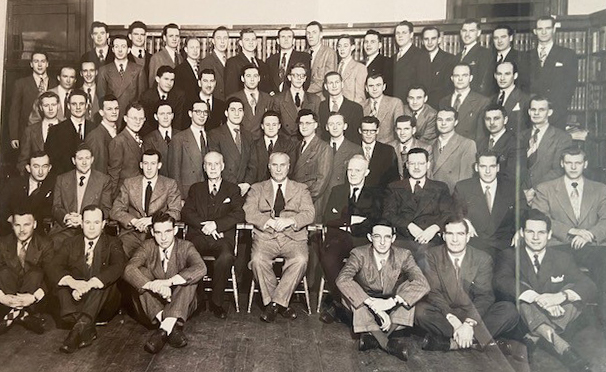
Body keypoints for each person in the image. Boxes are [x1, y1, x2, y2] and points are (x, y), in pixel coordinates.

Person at [494, 210, 595, 371]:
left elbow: (588, 284)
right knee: (521, 293)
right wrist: (537, 298)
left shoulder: (562, 257)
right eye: (530, 232)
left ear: (549, 235)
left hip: (551, 314)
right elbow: (501, 281)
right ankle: (562, 347)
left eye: (541, 232)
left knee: (574, 291)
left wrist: (559, 297)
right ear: (521, 233)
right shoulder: (509, 255)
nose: (535, 237)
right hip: (523, 317)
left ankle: (532, 339)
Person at [415, 218, 519, 352]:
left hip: (473, 314)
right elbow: (433, 293)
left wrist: (469, 324)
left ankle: (453, 343)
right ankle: (478, 341)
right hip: (445, 314)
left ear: (468, 236)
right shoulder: (432, 255)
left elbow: (485, 296)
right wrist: (455, 321)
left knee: (509, 310)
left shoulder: (482, 258)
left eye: (460, 234)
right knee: (420, 312)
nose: (455, 239)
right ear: (443, 236)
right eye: (450, 234)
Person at [532, 147, 606, 336]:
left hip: (590, 245)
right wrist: (572, 232)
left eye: (578, 163)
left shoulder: (600, 189)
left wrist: (588, 234)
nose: (573, 167)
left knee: (603, 263)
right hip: (559, 244)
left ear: (585, 164)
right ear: (562, 163)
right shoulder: (545, 188)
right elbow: (539, 218)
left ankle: (603, 317)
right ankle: (551, 323)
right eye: (569, 163)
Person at [336, 222, 430, 361]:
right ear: (370, 237)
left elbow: (423, 284)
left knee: (410, 292)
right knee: (352, 293)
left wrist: (391, 302)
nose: (382, 242)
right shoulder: (359, 253)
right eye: (377, 236)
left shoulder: (404, 255)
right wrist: (373, 305)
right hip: (366, 303)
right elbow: (342, 279)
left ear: (393, 239)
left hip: (391, 304)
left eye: (387, 237)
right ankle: (386, 343)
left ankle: (373, 338)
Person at [243, 152, 315, 322]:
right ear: (269, 167)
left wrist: (290, 220)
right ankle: (281, 304)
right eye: (275, 165)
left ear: (289, 167)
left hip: (293, 237)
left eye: (283, 165)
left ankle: (273, 305)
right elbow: (248, 210)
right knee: (258, 260)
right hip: (266, 236)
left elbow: (309, 213)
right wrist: (267, 221)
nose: (279, 169)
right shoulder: (257, 188)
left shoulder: (301, 189)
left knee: (300, 260)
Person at [123, 212, 206, 354]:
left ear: (175, 230)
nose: (163, 237)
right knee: (140, 273)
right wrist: (153, 285)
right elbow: (129, 269)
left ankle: (163, 329)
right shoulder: (147, 246)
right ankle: (170, 327)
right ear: (152, 232)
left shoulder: (186, 246)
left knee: (188, 279)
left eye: (168, 231)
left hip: (183, 303)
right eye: (158, 232)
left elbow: (201, 268)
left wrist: (167, 283)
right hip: (155, 305)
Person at [46, 204, 125, 354]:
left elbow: (118, 266)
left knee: (104, 283)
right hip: (76, 301)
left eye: (96, 223)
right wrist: (72, 283)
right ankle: (85, 326)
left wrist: (90, 284)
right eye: (88, 222)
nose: (92, 227)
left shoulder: (113, 242)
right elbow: (53, 266)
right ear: (81, 223)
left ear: (103, 224)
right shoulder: (70, 243)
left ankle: (76, 332)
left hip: (102, 304)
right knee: (61, 281)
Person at [181, 152, 245, 319]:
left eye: (216, 164)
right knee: (190, 254)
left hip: (222, 237)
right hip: (199, 236)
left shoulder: (233, 189)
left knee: (226, 257)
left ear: (223, 166)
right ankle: (198, 299)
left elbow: (239, 214)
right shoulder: (196, 189)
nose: (213, 168)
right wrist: (205, 226)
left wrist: (216, 224)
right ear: (204, 167)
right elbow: (186, 212)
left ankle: (217, 303)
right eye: (209, 164)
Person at [320, 155, 382, 323]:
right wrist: (351, 220)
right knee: (328, 258)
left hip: (362, 238)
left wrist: (350, 224)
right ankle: (343, 302)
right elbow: (327, 218)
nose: (353, 174)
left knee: (365, 261)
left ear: (366, 172)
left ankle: (340, 306)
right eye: (350, 170)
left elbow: (375, 219)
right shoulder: (337, 190)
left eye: (358, 170)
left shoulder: (374, 193)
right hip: (338, 238)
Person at [382, 148, 453, 261]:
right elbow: (388, 214)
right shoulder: (394, 187)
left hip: (431, 240)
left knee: (429, 258)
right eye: (412, 163)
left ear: (428, 164)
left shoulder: (440, 187)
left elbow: (447, 213)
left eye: (420, 163)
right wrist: (409, 226)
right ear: (407, 165)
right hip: (403, 239)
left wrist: (434, 229)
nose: (416, 167)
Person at [109, 150, 182, 258]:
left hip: (158, 235)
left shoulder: (169, 184)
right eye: (146, 163)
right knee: (119, 254)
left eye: (153, 164)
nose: (149, 168)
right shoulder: (129, 183)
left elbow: (175, 211)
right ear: (141, 165)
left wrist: (152, 220)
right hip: (132, 234)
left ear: (159, 165)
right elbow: (115, 210)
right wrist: (134, 221)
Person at [453, 150, 525, 257]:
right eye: (483, 166)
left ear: (498, 168)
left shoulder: (512, 187)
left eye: (492, 166)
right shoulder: (463, 187)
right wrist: (464, 220)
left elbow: (523, 211)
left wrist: (521, 229)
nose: (487, 171)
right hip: (475, 245)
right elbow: (455, 211)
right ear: (476, 167)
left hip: (504, 245)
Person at [0, 208, 53, 335]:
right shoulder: (2, 243)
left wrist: (33, 297)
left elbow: (51, 276)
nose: (22, 230)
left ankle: (13, 314)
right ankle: (23, 314)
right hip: (8, 293)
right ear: (12, 226)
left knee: (36, 273)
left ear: (34, 224)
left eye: (26, 225)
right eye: (17, 225)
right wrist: (1, 297)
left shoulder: (45, 244)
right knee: (4, 271)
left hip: (32, 294)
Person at [49, 144, 112, 247]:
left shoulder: (103, 180)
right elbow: (56, 207)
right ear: (74, 161)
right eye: (80, 158)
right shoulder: (62, 179)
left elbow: (107, 209)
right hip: (66, 229)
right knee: (54, 245)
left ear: (92, 159)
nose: (84, 162)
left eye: (87, 158)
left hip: (91, 230)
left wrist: (84, 219)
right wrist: (66, 217)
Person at [525, 16, 577, 129]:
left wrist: (558, 109)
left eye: (547, 28)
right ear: (535, 31)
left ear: (554, 29)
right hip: (532, 114)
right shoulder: (525, 56)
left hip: (556, 114)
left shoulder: (567, 54)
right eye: (540, 29)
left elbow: (570, 86)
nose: (543, 32)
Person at [521, 96, 573, 203]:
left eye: (541, 110)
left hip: (548, 196)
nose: (536, 113)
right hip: (521, 195)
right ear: (529, 112)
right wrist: (521, 193)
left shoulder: (562, 138)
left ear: (549, 112)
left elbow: (559, 170)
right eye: (533, 110)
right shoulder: (519, 137)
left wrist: (533, 190)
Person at [208, 97, 258, 196]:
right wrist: (236, 186)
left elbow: (253, 164)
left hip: (246, 190)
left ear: (243, 113)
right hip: (225, 188)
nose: (236, 113)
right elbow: (216, 164)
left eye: (240, 110)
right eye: (233, 110)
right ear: (226, 113)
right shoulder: (215, 134)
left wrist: (246, 184)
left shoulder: (248, 135)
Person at [9, 51, 56, 150]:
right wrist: (14, 136)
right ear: (31, 64)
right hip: (27, 133)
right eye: (36, 61)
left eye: (42, 61)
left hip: (51, 132)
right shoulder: (21, 83)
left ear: (47, 64)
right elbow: (14, 111)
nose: (39, 65)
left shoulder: (55, 83)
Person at [292, 109, 333, 222]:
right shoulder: (297, 146)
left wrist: (304, 200)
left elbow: (322, 181)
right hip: (295, 201)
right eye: (301, 123)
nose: (304, 126)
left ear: (315, 125)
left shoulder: (324, 148)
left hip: (311, 202)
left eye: (308, 123)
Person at [97, 35, 147, 126]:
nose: (120, 50)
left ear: (129, 50)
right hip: (111, 119)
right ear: (112, 49)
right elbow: (101, 98)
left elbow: (142, 99)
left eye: (123, 47)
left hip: (131, 119)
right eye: (116, 47)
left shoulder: (138, 70)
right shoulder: (104, 70)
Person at [0, 152, 55, 236]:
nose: (41, 171)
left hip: (36, 233)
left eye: (44, 166)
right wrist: (15, 222)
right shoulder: (14, 183)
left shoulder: (53, 186)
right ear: (28, 168)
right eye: (36, 166)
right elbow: (2, 206)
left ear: (50, 168)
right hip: (10, 229)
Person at [45, 90, 98, 175]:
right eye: (74, 104)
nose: (78, 107)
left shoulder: (95, 128)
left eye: (81, 104)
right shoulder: (55, 131)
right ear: (68, 106)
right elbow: (52, 162)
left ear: (87, 105)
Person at [167, 100, 209, 198]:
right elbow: (174, 173)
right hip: (188, 194)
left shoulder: (211, 136)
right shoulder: (179, 138)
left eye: (205, 112)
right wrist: (179, 198)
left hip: (208, 194)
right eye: (198, 112)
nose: (202, 115)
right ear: (190, 113)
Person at [439, 63, 490, 141]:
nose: (460, 79)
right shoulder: (443, 101)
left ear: (471, 78)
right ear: (452, 78)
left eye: (464, 75)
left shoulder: (482, 102)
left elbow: (481, 136)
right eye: (456, 76)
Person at [431, 107, 477, 192]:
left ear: (455, 122)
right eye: (440, 120)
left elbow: (465, 179)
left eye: (448, 120)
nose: (443, 123)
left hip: (452, 195)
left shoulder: (467, 144)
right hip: (431, 195)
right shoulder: (430, 144)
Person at [107, 102, 146, 198]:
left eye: (141, 118)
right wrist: (113, 199)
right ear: (125, 119)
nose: (138, 121)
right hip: (124, 195)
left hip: (138, 192)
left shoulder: (141, 138)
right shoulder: (118, 141)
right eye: (134, 118)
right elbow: (114, 174)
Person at [272, 62, 320, 137]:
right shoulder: (278, 99)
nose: (299, 78)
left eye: (302, 76)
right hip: (286, 144)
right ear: (289, 77)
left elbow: (318, 128)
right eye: (295, 75)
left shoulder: (315, 99)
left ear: (305, 79)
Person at [17, 91, 60, 174]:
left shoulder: (67, 128)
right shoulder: (30, 130)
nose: (50, 109)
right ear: (40, 107)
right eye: (46, 105)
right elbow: (23, 161)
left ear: (58, 106)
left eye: (53, 105)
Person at [476, 104, 522, 180]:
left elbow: (513, 176)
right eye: (488, 119)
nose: (492, 122)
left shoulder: (515, 144)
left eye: (496, 118)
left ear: (505, 120)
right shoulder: (481, 142)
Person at [228, 64, 273, 139]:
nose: (252, 79)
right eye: (248, 76)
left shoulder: (268, 99)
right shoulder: (233, 98)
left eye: (255, 76)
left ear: (259, 78)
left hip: (261, 143)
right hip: (241, 141)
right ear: (242, 78)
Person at [251, 111, 298, 182]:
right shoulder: (254, 145)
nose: (271, 128)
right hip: (260, 188)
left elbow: (290, 170)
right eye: (267, 125)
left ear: (279, 126)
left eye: (274, 124)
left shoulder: (288, 145)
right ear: (262, 126)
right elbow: (252, 170)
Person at [391, 21, 431, 105]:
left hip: (410, 105)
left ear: (411, 35)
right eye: (397, 33)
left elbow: (423, 85)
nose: (400, 36)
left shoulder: (421, 55)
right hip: (394, 105)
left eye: (404, 33)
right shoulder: (393, 58)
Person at [319, 72, 364, 143]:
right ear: (325, 86)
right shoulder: (320, 106)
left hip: (348, 151)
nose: (334, 86)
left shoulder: (356, 108)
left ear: (342, 84)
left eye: (337, 82)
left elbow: (357, 138)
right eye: (331, 83)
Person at [139, 66, 185, 135]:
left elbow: (178, 122)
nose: (169, 83)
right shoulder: (146, 97)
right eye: (166, 79)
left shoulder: (179, 95)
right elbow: (145, 123)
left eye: (172, 80)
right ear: (157, 79)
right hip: (151, 136)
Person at [224, 28, 270, 96]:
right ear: (240, 43)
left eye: (253, 39)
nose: (251, 42)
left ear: (257, 42)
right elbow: (231, 91)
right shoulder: (233, 63)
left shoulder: (262, 64)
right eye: (247, 40)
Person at [266, 27, 311, 95]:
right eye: (283, 37)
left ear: (293, 41)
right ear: (278, 41)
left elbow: (306, 81)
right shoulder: (271, 60)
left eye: (289, 37)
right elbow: (267, 81)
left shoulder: (304, 57)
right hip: (274, 100)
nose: (286, 40)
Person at [362, 73, 405, 144]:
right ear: (366, 88)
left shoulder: (395, 103)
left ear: (384, 87)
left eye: (378, 85)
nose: (374, 89)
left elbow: (399, 130)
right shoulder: (361, 105)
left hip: (389, 147)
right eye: (371, 86)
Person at [325, 112, 363, 191]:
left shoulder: (355, 149)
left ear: (345, 126)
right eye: (331, 124)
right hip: (322, 197)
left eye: (338, 124)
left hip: (343, 195)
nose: (335, 127)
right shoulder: (320, 147)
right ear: (327, 127)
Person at [421, 26, 457, 109]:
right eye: (426, 39)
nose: (429, 42)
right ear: (422, 41)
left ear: (439, 40)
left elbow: (449, 88)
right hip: (422, 107)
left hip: (441, 106)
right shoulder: (418, 59)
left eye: (433, 38)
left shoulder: (449, 59)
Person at [359, 116, 399, 188]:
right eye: (365, 131)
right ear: (360, 131)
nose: (368, 134)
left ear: (377, 130)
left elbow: (394, 179)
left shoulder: (388, 151)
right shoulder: (353, 149)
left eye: (372, 131)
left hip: (380, 195)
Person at [389, 115, 432, 179]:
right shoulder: (388, 147)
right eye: (399, 129)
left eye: (406, 129)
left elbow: (428, 176)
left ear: (413, 130)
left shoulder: (425, 148)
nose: (402, 133)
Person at [143, 102, 180, 177]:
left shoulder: (181, 136)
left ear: (172, 116)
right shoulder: (148, 139)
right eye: (162, 114)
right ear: (156, 117)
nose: (165, 117)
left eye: (168, 113)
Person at [85, 95, 120, 174]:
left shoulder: (119, 132)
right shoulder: (95, 137)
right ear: (101, 112)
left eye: (116, 108)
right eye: (109, 109)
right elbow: (96, 170)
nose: (114, 112)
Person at [491, 61, 530, 133]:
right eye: (499, 74)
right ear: (495, 76)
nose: (502, 78)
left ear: (515, 76)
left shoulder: (525, 99)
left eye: (507, 74)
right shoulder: (490, 99)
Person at [456, 19, 492, 95]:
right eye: (464, 30)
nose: (467, 34)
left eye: (471, 31)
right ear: (460, 32)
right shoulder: (457, 56)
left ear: (478, 33)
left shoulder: (485, 53)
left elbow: (483, 84)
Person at [489, 25, 524, 95]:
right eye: (496, 38)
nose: (499, 41)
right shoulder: (488, 58)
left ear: (510, 38)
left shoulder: (521, 57)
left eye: (503, 37)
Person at [306, 21, 337, 98]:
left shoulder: (329, 53)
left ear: (321, 35)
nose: (310, 36)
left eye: (314, 32)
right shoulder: (304, 53)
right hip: (306, 99)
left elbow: (328, 80)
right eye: (308, 33)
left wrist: (303, 90)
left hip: (321, 98)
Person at [198, 26, 229, 101]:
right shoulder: (207, 62)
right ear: (213, 41)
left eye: (225, 38)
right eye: (219, 38)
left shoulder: (230, 61)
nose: (222, 41)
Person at [336, 34, 367, 105]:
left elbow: (360, 97)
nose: (342, 49)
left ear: (352, 47)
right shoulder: (335, 67)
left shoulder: (360, 68)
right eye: (339, 46)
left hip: (351, 110)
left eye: (345, 46)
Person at [174, 37, 202, 112]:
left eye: (197, 47)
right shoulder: (179, 70)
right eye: (192, 47)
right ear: (186, 49)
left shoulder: (202, 67)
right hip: (186, 111)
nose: (195, 50)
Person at [363, 30, 392, 94]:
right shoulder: (361, 63)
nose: (368, 45)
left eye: (372, 42)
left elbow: (389, 88)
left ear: (380, 45)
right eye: (366, 42)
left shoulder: (386, 62)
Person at [79, 59, 100, 124]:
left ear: (96, 72)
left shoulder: (103, 91)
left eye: (92, 70)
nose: (88, 74)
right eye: (85, 71)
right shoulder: (76, 93)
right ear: (81, 73)